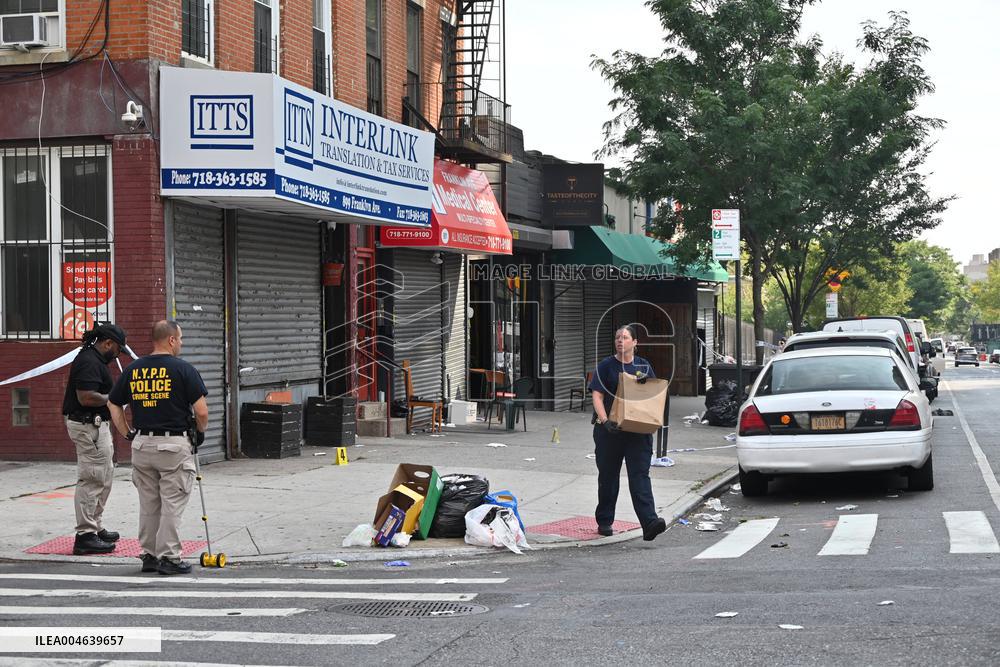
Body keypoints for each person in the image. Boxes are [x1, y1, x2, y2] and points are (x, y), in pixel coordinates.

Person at [109, 320, 208, 575]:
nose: (182, 343)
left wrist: (126, 432)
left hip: (142, 445)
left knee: (149, 503)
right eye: (181, 338)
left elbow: (113, 404)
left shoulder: (134, 369)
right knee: (172, 503)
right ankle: (170, 557)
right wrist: (199, 433)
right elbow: (201, 411)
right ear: (172, 340)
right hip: (173, 445)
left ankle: (150, 555)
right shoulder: (184, 370)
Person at [588, 324, 667, 541]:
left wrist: (653, 420)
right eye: (617, 337)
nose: (620, 341)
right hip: (609, 432)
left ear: (635, 343)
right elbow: (597, 396)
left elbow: (652, 396)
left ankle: (649, 522)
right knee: (608, 477)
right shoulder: (606, 366)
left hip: (638, 433)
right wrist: (605, 421)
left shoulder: (643, 366)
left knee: (640, 476)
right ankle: (604, 520)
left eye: (625, 337)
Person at [62, 322, 128, 555]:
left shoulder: (96, 360)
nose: (118, 354)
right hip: (87, 426)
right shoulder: (88, 361)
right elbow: (86, 398)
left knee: (104, 476)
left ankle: (95, 526)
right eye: (118, 349)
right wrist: (114, 398)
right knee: (92, 477)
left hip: (96, 426)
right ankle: (85, 536)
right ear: (108, 343)